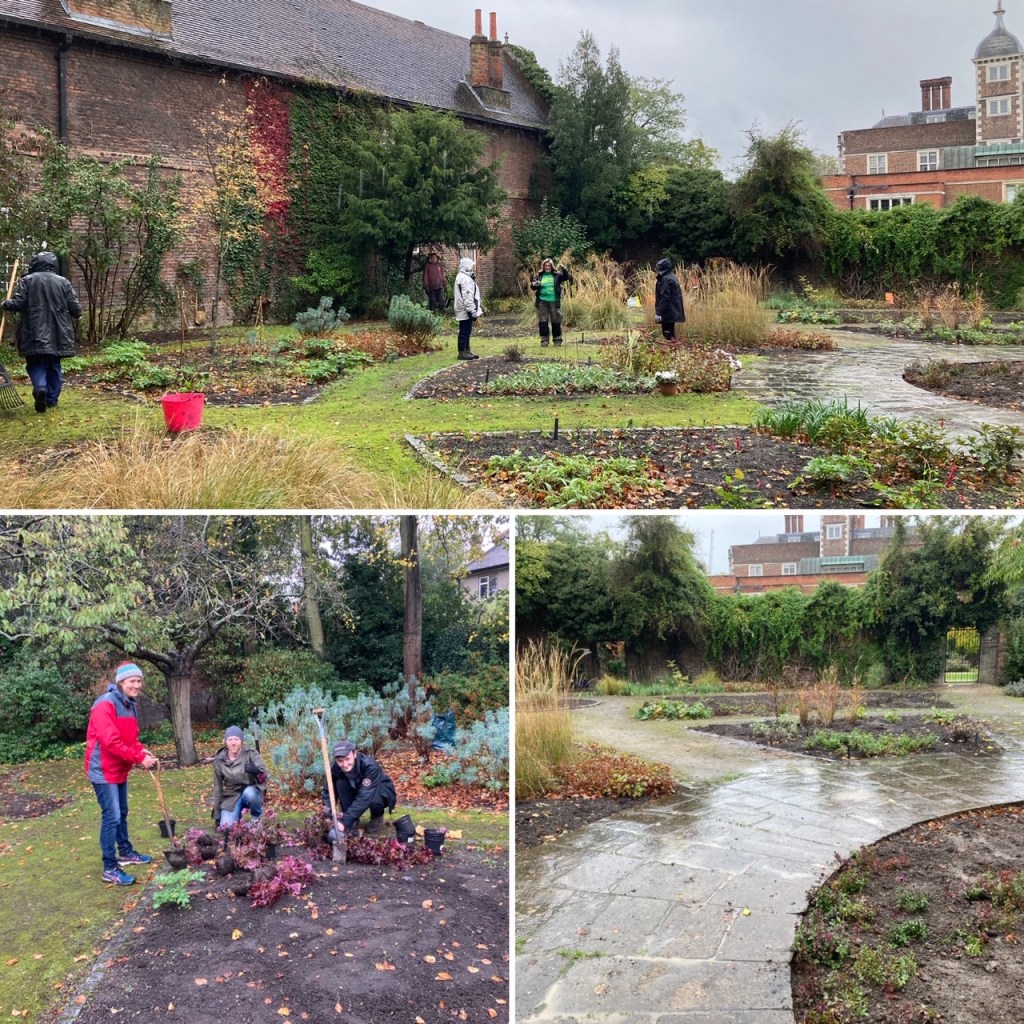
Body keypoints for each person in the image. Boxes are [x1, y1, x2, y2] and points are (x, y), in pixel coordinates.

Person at [84, 662, 158, 885]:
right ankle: (109, 867)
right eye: (132, 681)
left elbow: (129, 738)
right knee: (112, 815)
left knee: (122, 812)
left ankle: (125, 853)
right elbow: (111, 742)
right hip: (103, 770)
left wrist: (139, 751)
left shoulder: (130, 704)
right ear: (121, 683)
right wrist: (138, 758)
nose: (136, 685)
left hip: (119, 768)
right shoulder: (104, 705)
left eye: (138, 681)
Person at [1, 251, 81, 412]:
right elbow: (75, 308)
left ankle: (40, 387)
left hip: (34, 331)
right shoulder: (63, 282)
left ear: (35, 264)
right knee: (54, 365)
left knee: (36, 362)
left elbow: (18, 303)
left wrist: (5, 303)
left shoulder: (28, 281)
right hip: (59, 332)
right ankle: (51, 399)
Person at [322, 739, 397, 839]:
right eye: (340, 761)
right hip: (355, 788)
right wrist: (328, 814)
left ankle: (376, 818)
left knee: (376, 799)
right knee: (340, 783)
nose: (344, 764)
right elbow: (328, 791)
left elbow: (365, 797)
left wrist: (345, 821)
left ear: (354, 754)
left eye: (347, 759)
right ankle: (352, 820)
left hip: (378, 789)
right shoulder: (334, 768)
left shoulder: (370, 766)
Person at [211, 726, 269, 828]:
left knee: (250, 793)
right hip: (232, 795)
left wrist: (256, 772)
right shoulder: (219, 760)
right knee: (226, 827)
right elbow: (217, 788)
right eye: (230, 739)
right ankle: (237, 817)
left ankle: (257, 817)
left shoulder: (251, 754)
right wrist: (217, 814)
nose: (233, 742)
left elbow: (265, 778)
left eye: (236, 739)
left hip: (250, 792)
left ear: (241, 741)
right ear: (226, 741)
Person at [530, 258, 571, 346]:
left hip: (554, 301)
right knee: (543, 321)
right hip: (541, 301)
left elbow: (566, 277)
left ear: (552, 266)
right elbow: (533, 286)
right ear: (543, 266)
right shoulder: (539, 275)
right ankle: (544, 340)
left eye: (549, 265)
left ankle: (557, 340)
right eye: (545, 266)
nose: (547, 267)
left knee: (556, 320)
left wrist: (564, 270)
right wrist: (534, 284)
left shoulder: (557, 275)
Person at [453, 256, 482, 360]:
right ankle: (462, 352)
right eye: (471, 267)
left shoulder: (463, 277)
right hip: (465, 309)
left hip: (463, 308)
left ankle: (467, 350)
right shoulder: (464, 279)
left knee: (467, 329)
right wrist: (471, 310)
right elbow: (467, 296)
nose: (472, 268)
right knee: (464, 330)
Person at [654, 257, 685, 341]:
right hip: (672, 310)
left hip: (668, 311)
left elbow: (664, 297)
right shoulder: (672, 276)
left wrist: (658, 312)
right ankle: (672, 349)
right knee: (670, 332)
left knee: (667, 334)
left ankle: (671, 350)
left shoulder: (665, 279)